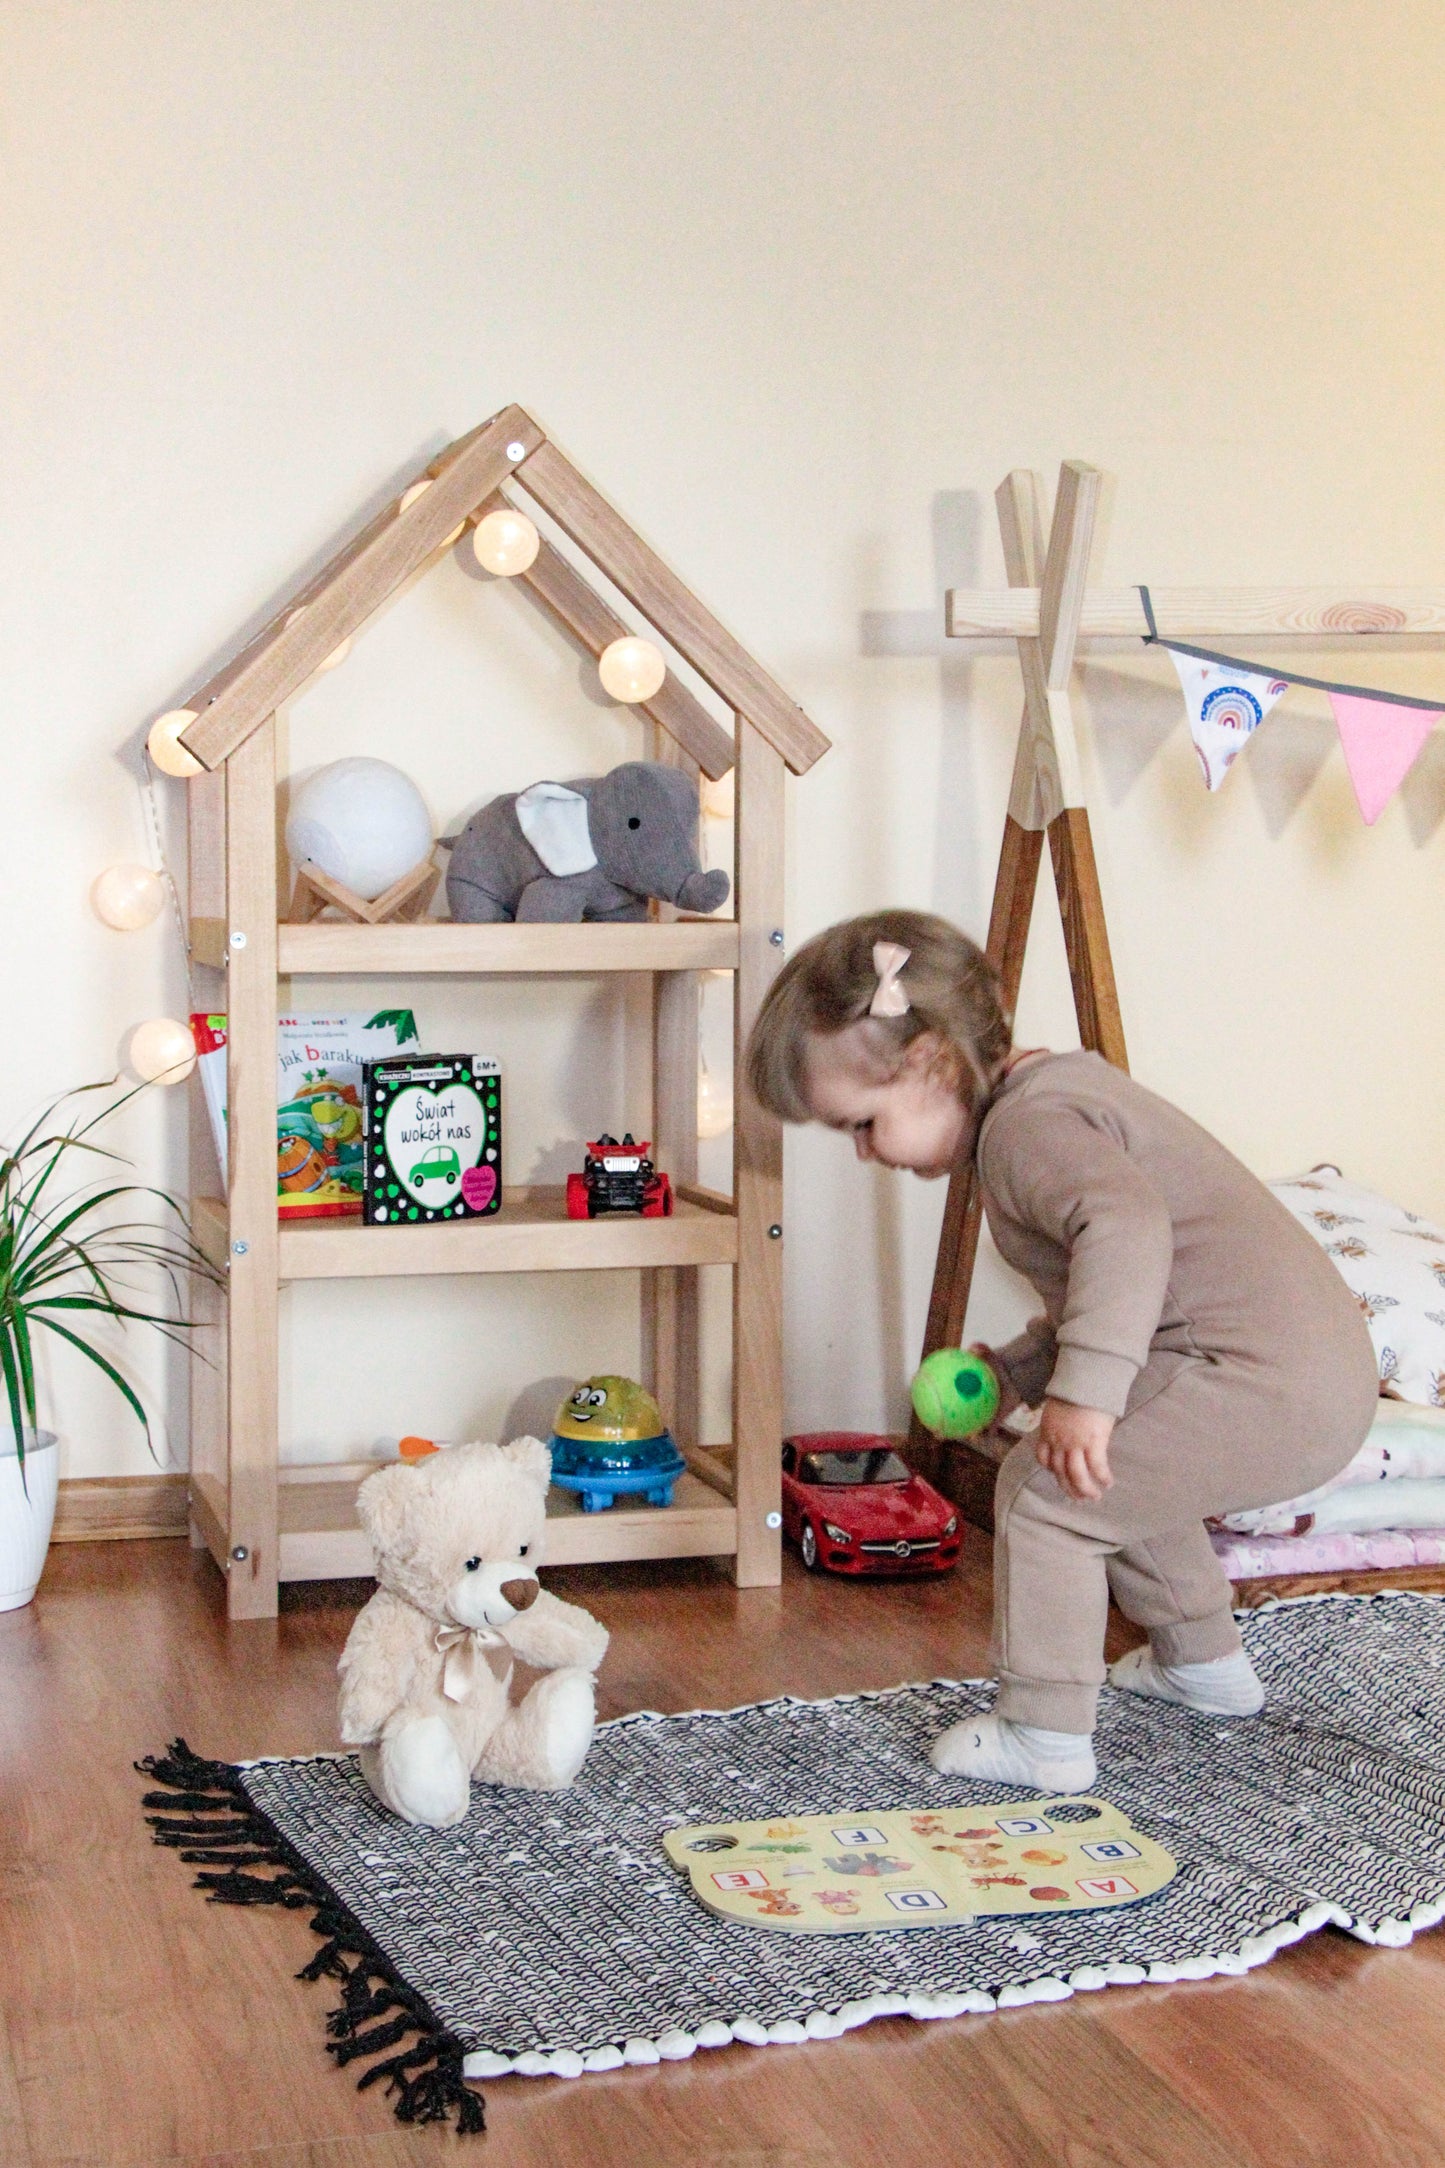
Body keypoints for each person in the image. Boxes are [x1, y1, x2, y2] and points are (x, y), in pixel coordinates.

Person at [747, 908, 1378, 1792]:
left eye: (862, 1123)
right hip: (1293, 1378)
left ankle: (1042, 1732)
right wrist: (1017, 1374)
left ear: (930, 1062)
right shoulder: (1047, 1101)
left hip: (1263, 1382)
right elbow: (1110, 1296)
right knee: (1102, 1471)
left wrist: (1082, 1398)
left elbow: (1125, 1231)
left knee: (1046, 1492)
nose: (861, 1154)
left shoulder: (1024, 1132)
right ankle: (1202, 1663)